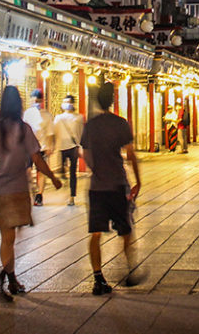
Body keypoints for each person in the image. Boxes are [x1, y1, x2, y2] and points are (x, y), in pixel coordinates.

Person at [0, 85, 62, 301]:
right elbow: (37, 159)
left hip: (0, 191)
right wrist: (52, 177)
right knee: (12, 238)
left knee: (9, 238)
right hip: (17, 191)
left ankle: (10, 277)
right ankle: (5, 278)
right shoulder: (23, 129)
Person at [80, 81, 142, 295]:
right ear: (113, 100)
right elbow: (131, 153)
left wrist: (95, 169)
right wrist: (138, 180)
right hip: (117, 184)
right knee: (125, 230)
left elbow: (85, 153)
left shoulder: (91, 125)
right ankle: (130, 270)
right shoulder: (120, 123)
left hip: (97, 187)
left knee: (95, 233)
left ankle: (98, 278)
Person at [23, 88, 55, 206]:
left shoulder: (47, 115)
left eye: (37, 100)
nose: (35, 102)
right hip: (28, 147)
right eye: (34, 99)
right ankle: (32, 191)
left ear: (41, 101)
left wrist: (50, 146)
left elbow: (50, 133)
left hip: (42, 147)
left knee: (41, 172)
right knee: (27, 170)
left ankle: (39, 195)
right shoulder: (27, 113)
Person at [54, 94, 84, 206]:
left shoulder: (78, 117)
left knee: (73, 173)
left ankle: (72, 196)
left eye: (69, 102)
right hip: (62, 147)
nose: (67, 104)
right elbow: (54, 132)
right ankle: (64, 184)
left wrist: (81, 147)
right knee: (62, 171)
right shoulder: (58, 118)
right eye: (65, 101)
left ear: (73, 103)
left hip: (73, 147)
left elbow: (81, 133)